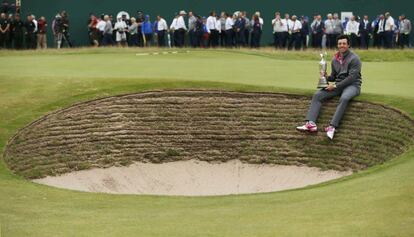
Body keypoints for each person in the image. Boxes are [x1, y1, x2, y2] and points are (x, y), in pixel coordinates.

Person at [296, 34, 362, 140]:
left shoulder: (355, 58)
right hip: (338, 85)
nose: (342, 45)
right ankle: (311, 123)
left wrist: (335, 85)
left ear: (348, 45)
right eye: (340, 43)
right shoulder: (335, 59)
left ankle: (332, 127)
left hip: (353, 86)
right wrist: (326, 76)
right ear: (337, 45)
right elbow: (334, 76)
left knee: (344, 98)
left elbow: (352, 78)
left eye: (344, 43)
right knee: (318, 95)